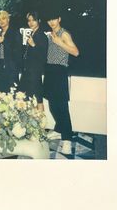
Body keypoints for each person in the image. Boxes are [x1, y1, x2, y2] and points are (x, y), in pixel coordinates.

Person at [44, 10, 79, 155]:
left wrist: (60, 42)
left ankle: (67, 139)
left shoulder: (64, 34)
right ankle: (59, 130)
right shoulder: (50, 34)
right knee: (53, 105)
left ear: (59, 18)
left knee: (62, 107)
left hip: (59, 71)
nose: (52, 22)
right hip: (50, 70)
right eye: (49, 20)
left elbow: (76, 52)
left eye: (54, 19)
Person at [18, 11, 47, 112]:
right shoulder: (33, 33)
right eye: (29, 20)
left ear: (38, 20)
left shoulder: (42, 36)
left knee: (38, 99)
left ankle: (41, 125)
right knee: (27, 98)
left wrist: (34, 45)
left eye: (33, 20)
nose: (31, 23)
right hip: (28, 71)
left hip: (35, 72)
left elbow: (43, 56)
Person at [0, 10, 22, 93]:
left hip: (11, 70)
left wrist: (4, 42)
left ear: (8, 19)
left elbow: (18, 52)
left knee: (11, 98)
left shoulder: (15, 33)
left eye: (3, 18)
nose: (1, 21)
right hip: (0, 70)